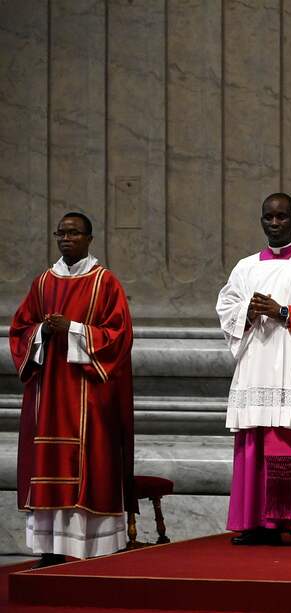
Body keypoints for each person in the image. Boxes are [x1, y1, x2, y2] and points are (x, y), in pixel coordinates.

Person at [9, 212, 134, 568]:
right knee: (47, 466)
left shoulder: (104, 282)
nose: (66, 239)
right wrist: (43, 333)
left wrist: (75, 329)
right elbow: (20, 330)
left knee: (86, 466)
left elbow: (119, 336)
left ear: (89, 238)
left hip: (87, 396)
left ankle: (89, 550)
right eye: (61, 233)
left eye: (74, 233)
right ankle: (50, 549)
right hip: (47, 394)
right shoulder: (43, 283)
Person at [216, 193, 291, 546]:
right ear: (261, 221)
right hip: (256, 369)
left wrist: (283, 312)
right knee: (256, 442)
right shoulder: (244, 268)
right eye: (268, 217)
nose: (274, 223)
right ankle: (255, 522)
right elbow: (227, 309)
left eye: (282, 217)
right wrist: (250, 313)